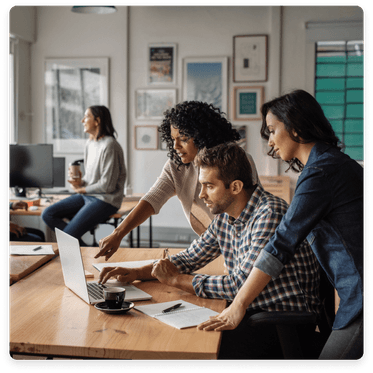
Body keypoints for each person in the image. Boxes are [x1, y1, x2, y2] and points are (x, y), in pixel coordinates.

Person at [99, 142, 321, 359]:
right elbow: (190, 257)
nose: (201, 195)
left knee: (182, 346)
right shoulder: (226, 216)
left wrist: (176, 281)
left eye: (209, 186)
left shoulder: (269, 213)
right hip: (251, 312)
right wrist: (139, 272)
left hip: (280, 324)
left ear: (235, 187)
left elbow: (238, 285)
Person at [198, 90, 364, 360]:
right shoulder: (331, 165)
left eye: (273, 130)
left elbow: (281, 243)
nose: (270, 144)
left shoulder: (321, 172)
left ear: (296, 126)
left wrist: (239, 304)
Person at [95, 101, 260, 261]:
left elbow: (250, 215)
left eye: (183, 138)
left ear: (202, 136)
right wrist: (118, 234)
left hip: (243, 248)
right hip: (209, 248)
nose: (175, 146)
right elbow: (153, 198)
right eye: (173, 139)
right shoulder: (177, 166)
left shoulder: (236, 161)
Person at [42, 105, 126, 246]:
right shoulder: (89, 143)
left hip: (106, 200)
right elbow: (91, 179)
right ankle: (84, 249)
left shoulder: (110, 145)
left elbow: (108, 185)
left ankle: (79, 250)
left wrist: (82, 189)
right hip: (88, 196)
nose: (82, 120)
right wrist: (80, 182)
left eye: (86, 116)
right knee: (48, 214)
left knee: (68, 236)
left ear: (97, 121)